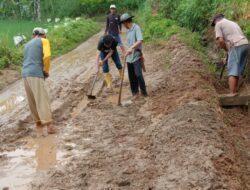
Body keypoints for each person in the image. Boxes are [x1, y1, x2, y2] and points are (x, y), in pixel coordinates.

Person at [22, 27, 56, 134]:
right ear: (43, 35)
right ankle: (50, 126)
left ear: (33, 35)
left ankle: (38, 123)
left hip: (25, 74)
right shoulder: (44, 41)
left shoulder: (26, 45)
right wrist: (46, 70)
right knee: (42, 98)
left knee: (32, 100)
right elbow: (47, 57)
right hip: (35, 73)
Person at [212, 14, 249, 97]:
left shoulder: (218, 24)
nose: (214, 25)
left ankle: (232, 93)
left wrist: (227, 50)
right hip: (245, 44)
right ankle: (235, 91)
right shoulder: (233, 23)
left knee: (232, 70)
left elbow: (221, 41)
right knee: (237, 69)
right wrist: (229, 51)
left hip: (235, 46)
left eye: (214, 23)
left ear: (215, 20)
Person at [120, 13, 148, 98]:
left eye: (123, 23)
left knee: (138, 75)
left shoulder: (136, 28)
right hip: (129, 57)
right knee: (131, 77)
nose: (123, 25)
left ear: (125, 22)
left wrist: (131, 48)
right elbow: (129, 44)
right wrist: (126, 52)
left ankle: (144, 93)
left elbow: (140, 40)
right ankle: (135, 93)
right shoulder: (128, 31)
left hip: (136, 55)